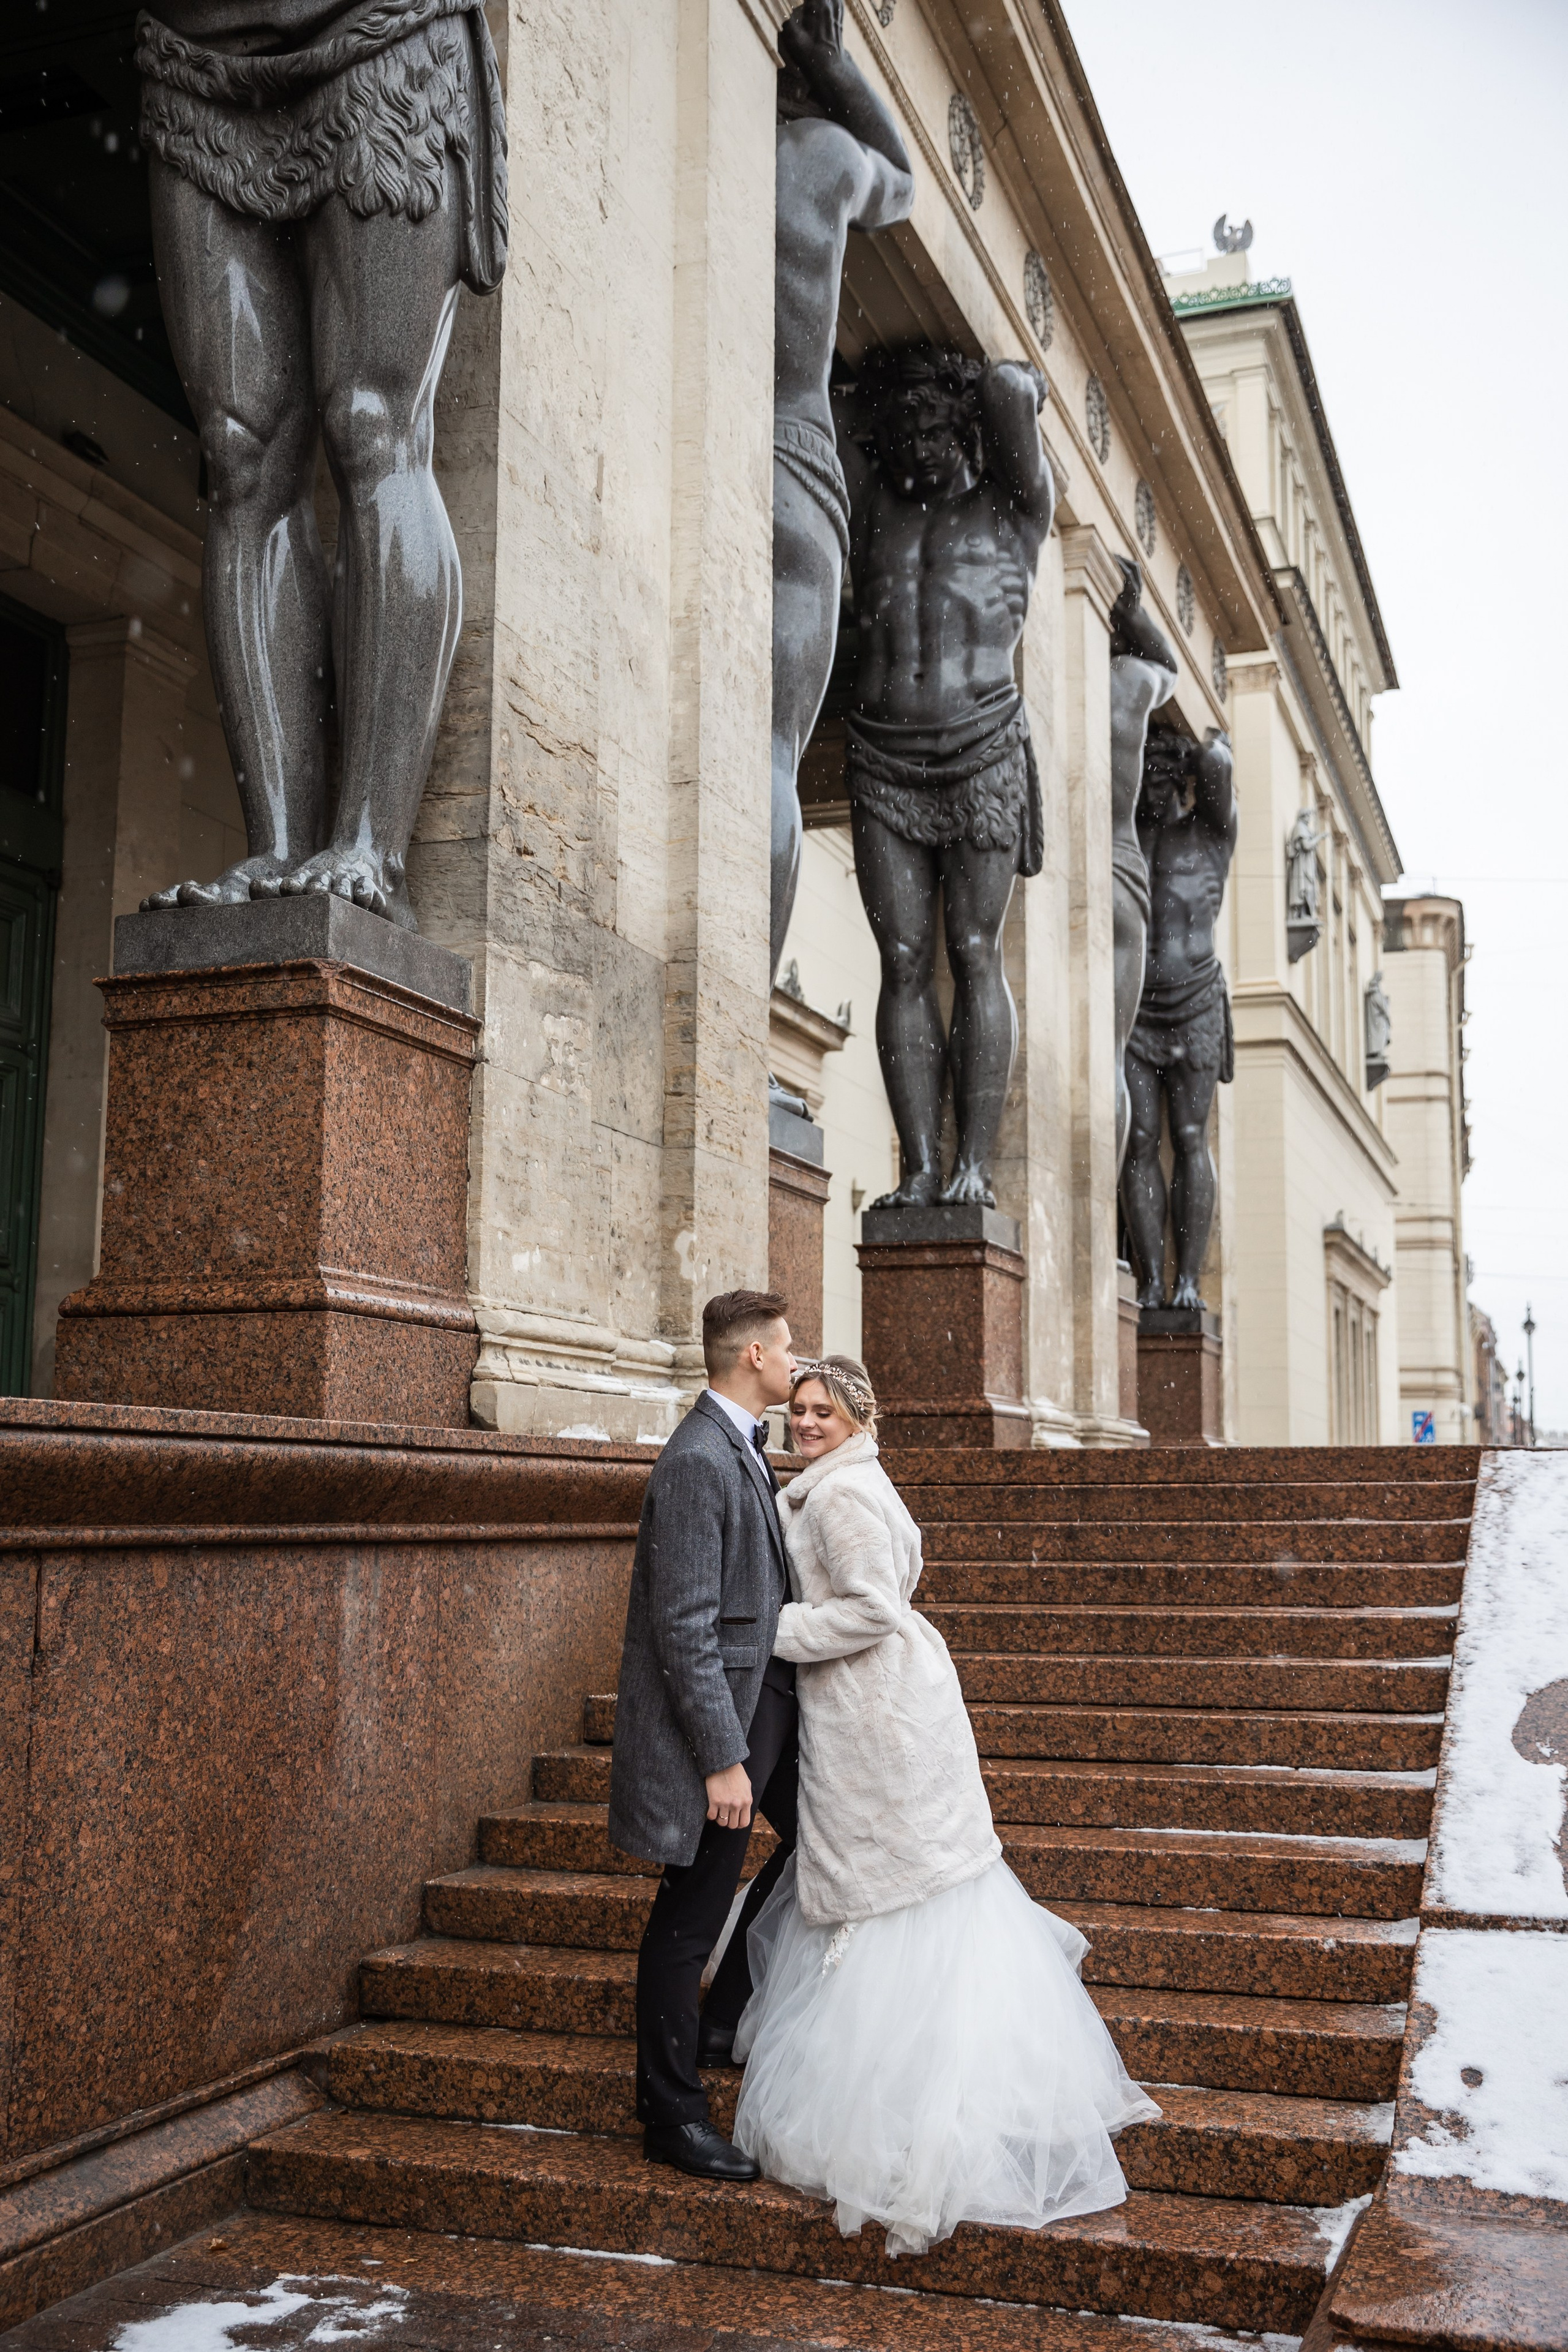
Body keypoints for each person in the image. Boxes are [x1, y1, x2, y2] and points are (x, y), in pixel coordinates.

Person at [730, 1356, 1156, 2255]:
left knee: (888, 1881)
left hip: (875, 1715)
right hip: (890, 1705)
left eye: (823, 1413)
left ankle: (901, 2105)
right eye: (799, 1410)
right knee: (909, 1882)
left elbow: (875, 1608)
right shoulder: (852, 1481)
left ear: (856, 1420)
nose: (804, 1424)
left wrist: (767, 1631)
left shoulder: (838, 1497)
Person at [835, 345, 1055, 1207]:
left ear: (964, 427)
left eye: (933, 428)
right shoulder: (875, 505)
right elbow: (826, 397)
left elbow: (1008, 387)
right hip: (884, 753)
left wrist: (999, 387)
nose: (917, 446)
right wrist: (873, 403)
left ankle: (974, 1166)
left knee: (973, 951)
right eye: (903, 431)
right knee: (901, 957)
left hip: (980, 747)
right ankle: (922, 1164)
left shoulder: (1014, 509)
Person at [606, 1291, 800, 2182]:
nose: (797, 1364)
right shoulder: (696, 1461)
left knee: (818, 1848)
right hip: (715, 1743)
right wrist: (724, 1762)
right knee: (686, 1923)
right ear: (753, 1357)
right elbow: (682, 1629)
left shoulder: (739, 1449)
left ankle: (724, 2021)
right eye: (788, 1351)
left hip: (760, 1721)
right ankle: (672, 2113)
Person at [769, 0, 913, 982]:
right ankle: (741, 996)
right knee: (769, 755)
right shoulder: (822, 155)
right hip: (792, 457)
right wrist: (842, 73)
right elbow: (902, 186)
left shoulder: (706, 152)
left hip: (689, 430)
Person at [1120, 726, 1237, 1310]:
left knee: (1191, 1138)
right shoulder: (1128, 837)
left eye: (1168, 773)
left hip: (1195, 1004)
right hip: (1139, 1009)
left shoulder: (1211, 835)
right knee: (1138, 1139)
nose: (1156, 784)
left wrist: (1196, 748)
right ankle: (1150, 1281)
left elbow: (1220, 765)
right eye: (1149, 772)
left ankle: (1188, 1279)